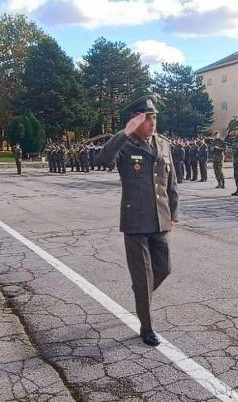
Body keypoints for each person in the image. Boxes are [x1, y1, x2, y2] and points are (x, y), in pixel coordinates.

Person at [94, 95, 178, 347]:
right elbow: (102, 160)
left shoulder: (163, 144)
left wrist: (173, 213)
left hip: (160, 219)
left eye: (154, 118)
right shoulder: (126, 145)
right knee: (142, 278)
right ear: (135, 121)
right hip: (135, 222)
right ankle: (147, 326)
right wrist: (123, 133)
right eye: (147, 118)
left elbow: (171, 183)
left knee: (163, 269)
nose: (152, 123)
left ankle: (141, 297)